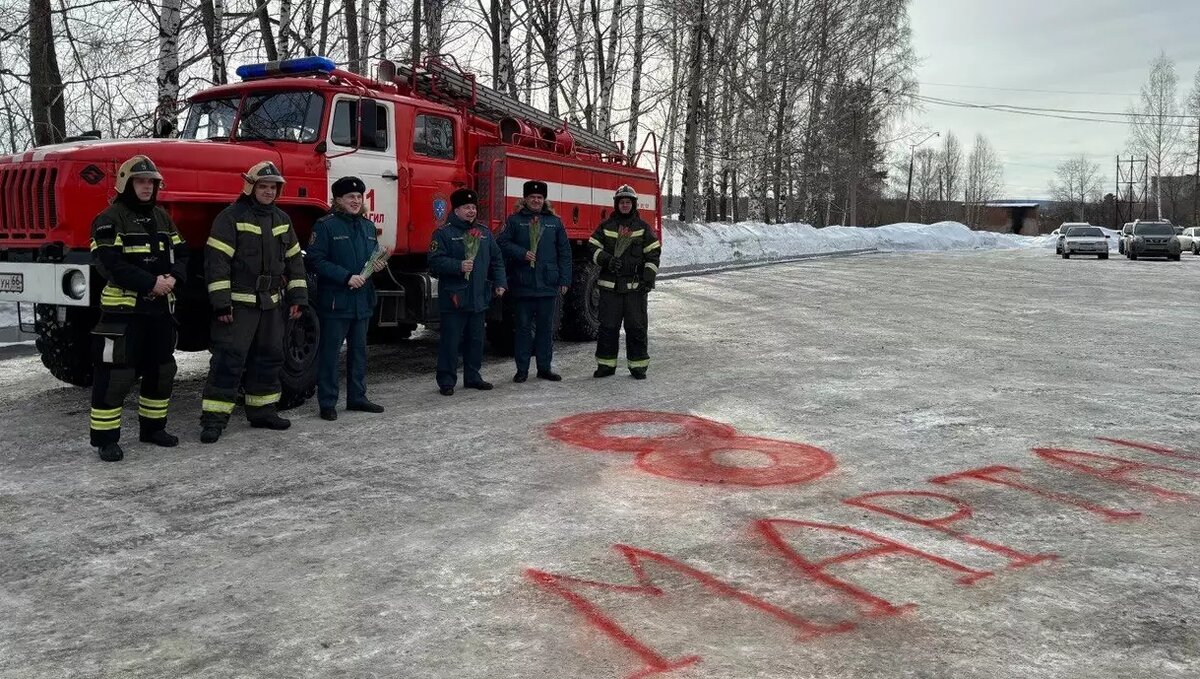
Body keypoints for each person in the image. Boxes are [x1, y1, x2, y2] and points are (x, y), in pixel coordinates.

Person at [87, 155, 188, 462]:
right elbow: (110, 264)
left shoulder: (162, 216)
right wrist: (150, 283)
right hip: (123, 313)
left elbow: (182, 253)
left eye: (151, 182)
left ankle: (153, 429)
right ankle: (106, 440)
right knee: (116, 376)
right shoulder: (108, 218)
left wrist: (173, 278)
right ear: (125, 183)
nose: (146, 187)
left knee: (162, 371)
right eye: (140, 181)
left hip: (159, 311)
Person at [199, 161, 309, 443]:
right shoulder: (230, 217)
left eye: (273, 187)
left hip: (271, 304)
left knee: (270, 356)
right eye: (263, 186)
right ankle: (214, 419)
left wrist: (299, 297)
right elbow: (217, 263)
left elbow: (295, 262)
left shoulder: (282, 220)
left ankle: (262, 410)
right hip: (239, 304)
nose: (268, 192)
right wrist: (222, 303)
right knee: (229, 358)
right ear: (251, 187)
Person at [306, 176, 388, 421]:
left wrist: (378, 266)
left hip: (362, 301)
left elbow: (370, 259)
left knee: (359, 352)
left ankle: (357, 397)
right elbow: (314, 260)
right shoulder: (325, 226)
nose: (355, 201)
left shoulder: (367, 227)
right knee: (330, 354)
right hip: (336, 301)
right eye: (349, 197)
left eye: (358, 197)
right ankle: (328, 403)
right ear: (338, 200)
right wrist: (345, 277)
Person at [428, 188, 507, 395]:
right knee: (451, 342)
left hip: (479, 297)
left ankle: (473, 377)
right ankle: (446, 380)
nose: (471, 211)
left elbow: (497, 260)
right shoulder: (443, 234)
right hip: (455, 298)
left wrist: (500, 282)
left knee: (476, 340)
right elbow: (434, 263)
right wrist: (458, 266)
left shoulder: (484, 233)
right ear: (456, 210)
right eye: (466, 207)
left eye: (473, 207)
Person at [497, 180, 572, 383]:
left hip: (548, 285)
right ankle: (522, 370)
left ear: (544, 200)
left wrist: (565, 279)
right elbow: (501, 243)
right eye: (532, 197)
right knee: (522, 329)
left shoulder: (554, 222)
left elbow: (564, 252)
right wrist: (522, 253)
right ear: (525, 199)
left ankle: (544, 368)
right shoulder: (514, 221)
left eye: (539, 198)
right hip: (523, 285)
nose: (536, 200)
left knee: (545, 330)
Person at [588, 184, 660, 379]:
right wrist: (607, 260)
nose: (625, 205)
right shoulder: (606, 227)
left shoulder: (643, 228)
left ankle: (638, 366)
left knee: (636, 328)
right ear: (616, 204)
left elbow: (653, 255)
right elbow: (592, 248)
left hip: (635, 289)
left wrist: (648, 279)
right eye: (622, 202)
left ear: (634, 204)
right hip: (610, 288)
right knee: (607, 328)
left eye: (628, 202)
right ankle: (605, 365)